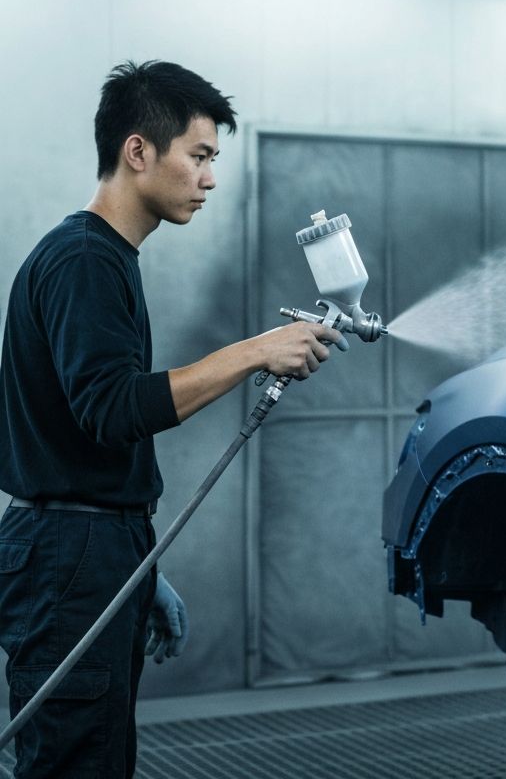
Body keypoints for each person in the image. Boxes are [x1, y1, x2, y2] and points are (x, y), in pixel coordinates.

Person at [0, 60, 341, 778]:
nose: (210, 178)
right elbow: (112, 408)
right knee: (75, 763)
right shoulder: (83, 261)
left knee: (98, 756)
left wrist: (139, 565)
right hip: (70, 553)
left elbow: (83, 433)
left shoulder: (106, 259)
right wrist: (255, 351)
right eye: (200, 156)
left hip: (92, 544)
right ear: (138, 152)